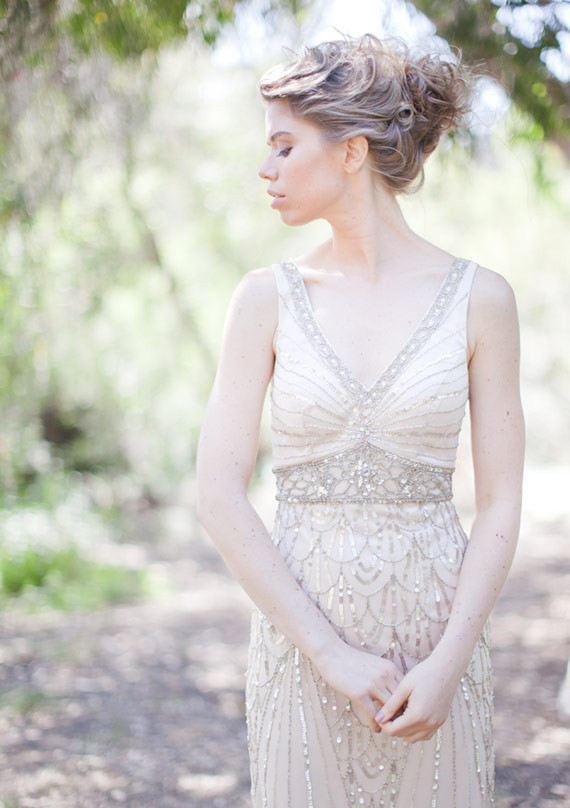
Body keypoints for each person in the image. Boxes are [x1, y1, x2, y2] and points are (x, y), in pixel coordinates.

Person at [196, 32, 524, 808]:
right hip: (302, 651)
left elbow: (502, 502)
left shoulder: (482, 299)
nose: (266, 168)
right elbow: (217, 493)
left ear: (351, 152)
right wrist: (329, 654)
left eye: (284, 145)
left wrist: (449, 664)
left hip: (436, 653)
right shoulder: (264, 299)